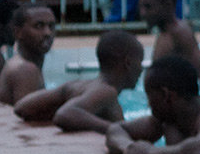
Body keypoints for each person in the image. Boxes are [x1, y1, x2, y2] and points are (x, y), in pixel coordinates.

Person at [13, 29, 143, 133]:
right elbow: (64, 114)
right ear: (128, 63)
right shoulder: (106, 91)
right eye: (140, 63)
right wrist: (117, 129)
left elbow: (21, 106)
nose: (141, 69)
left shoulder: (77, 86)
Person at [138, 0, 200, 90]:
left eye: (148, 7)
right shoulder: (164, 33)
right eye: (141, 7)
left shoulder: (180, 32)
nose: (142, 13)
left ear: (168, 5)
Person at [0, 2, 56, 106]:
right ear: (18, 32)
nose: (47, 33)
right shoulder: (25, 70)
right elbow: (26, 120)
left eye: (51, 26)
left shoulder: (22, 65)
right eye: (39, 26)